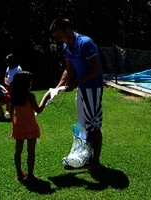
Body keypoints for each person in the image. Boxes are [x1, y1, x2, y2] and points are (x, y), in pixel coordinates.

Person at [49, 16, 104, 169]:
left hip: (92, 88)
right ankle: (86, 156)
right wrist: (57, 88)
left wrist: (76, 83)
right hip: (81, 88)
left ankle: (96, 161)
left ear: (68, 29)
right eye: (56, 36)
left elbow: (95, 70)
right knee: (83, 124)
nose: (58, 39)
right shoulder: (66, 47)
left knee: (93, 124)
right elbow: (68, 69)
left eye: (59, 35)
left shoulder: (85, 43)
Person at [10, 71, 50, 181]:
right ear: (26, 83)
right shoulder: (30, 97)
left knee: (18, 150)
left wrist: (14, 124)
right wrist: (46, 97)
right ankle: (30, 175)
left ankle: (19, 173)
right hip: (31, 126)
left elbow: (11, 111)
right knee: (30, 151)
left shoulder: (14, 97)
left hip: (19, 126)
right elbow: (38, 110)